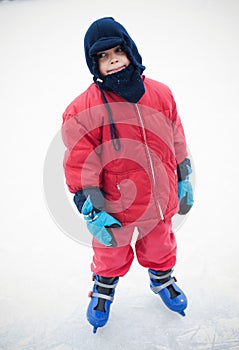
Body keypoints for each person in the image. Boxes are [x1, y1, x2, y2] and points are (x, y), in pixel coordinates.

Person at [61, 17, 194, 334]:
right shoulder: (82, 110)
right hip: (115, 206)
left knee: (161, 246)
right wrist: (91, 203)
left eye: (118, 50)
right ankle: (103, 287)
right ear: (94, 64)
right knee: (110, 252)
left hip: (160, 200)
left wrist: (183, 173)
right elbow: (81, 160)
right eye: (103, 56)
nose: (113, 59)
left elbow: (175, 136)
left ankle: (162, 279)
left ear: (130, 50)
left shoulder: (160, 94)